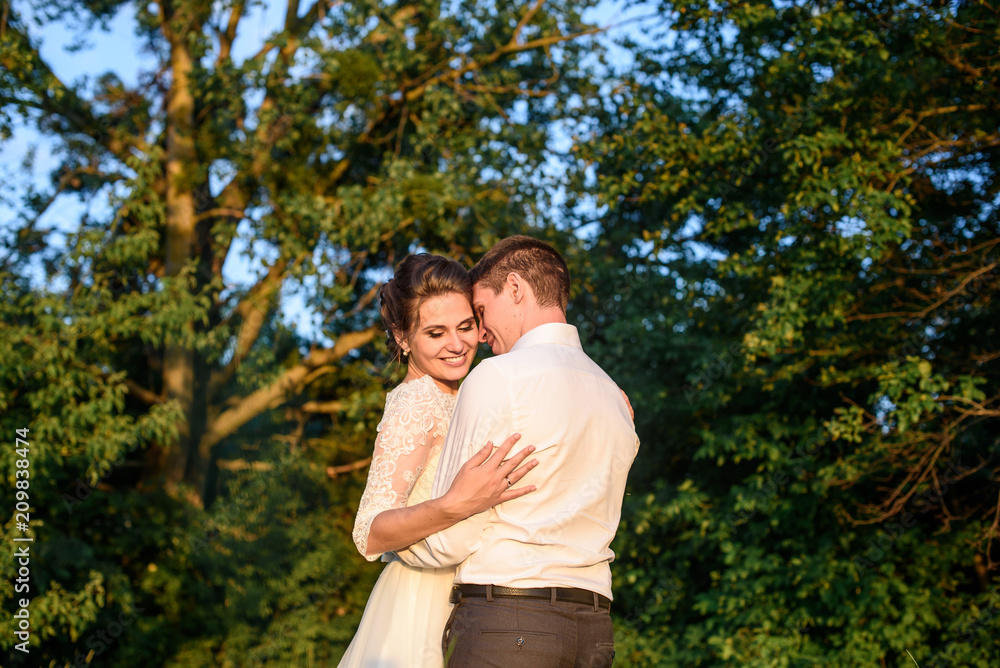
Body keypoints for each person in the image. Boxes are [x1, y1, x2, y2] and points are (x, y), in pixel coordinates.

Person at [394, 236, 639, 666]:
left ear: (515, 288)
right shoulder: (614, 397)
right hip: (595, 629)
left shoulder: (498, 378)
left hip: (510, 623)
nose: (482, 335)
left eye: (482, 314)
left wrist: (401, 548)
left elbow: (453, 534)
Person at [338, 254, 539, 667]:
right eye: (435, 333)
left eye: (466, 326)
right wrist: (453, 505)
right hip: (417, 603)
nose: (457, 344)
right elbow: (369, 532)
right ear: (402, 337)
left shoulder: (471, 395)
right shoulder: (416, 401)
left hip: (480, 595)